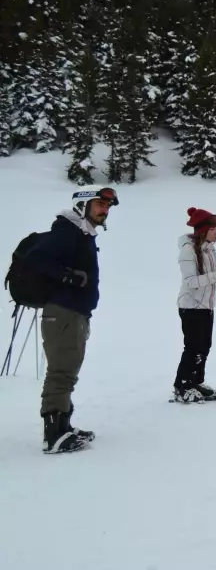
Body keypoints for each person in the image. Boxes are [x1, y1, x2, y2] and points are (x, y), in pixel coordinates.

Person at [22, 187, 117, 453]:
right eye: (99, 204)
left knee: (68, 370)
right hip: (63, 311)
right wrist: (68, 277)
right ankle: (54, 435)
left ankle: (63, 426)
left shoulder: (82, 234)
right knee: (61, 372)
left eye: (107, 206)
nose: (104, 210)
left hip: (74, 312)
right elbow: (36, 258)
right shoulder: (67, 231)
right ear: (82, 205)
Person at [173, 208, 216, 402]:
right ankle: (182, 386)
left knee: (204, 346)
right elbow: (191, 282)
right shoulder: (188, 250)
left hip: (206, 306)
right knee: (193, 347)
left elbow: (213, 275)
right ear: (203, 230)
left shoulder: (209, 248)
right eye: (213, 229)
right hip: (191, 306)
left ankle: (196, 381)